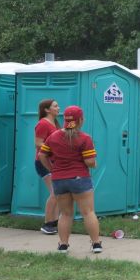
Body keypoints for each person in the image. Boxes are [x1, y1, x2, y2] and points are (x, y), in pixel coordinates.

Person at [38, 106, 100, 254]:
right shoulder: (85, 138)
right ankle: (96, 244)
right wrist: (94, 163)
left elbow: (41, 155)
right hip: (80, 179)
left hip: (59, 179)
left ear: (65, 119)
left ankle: (63, 245)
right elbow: (90, 162)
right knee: (88, 212)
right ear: (81, 120)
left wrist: (52, 170)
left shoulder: (53, 136)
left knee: (65, 214)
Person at [34, 99, 61, 235]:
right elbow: (38, 143)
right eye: (55, 106)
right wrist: (54, 149)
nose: (58, 108)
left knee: (57, 193)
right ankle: (47, 224)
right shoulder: (43, 124)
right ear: (46, 109)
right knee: (55, 193)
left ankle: (54, 223)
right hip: (43, 162)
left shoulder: (54, 123)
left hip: (53, 162)